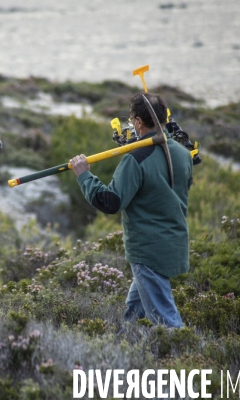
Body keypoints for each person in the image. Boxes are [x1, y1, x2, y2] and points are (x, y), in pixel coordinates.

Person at [69, 92, 193, 328]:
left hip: (148, 249)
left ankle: (182, 358)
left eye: (131, 120)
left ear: (137, 122)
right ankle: (125, 346)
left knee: (165, 320)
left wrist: (83, 175)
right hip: (174, 243)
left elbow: (111, 202)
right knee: (133, 314)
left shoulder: (136, 159)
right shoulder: (183, 154)